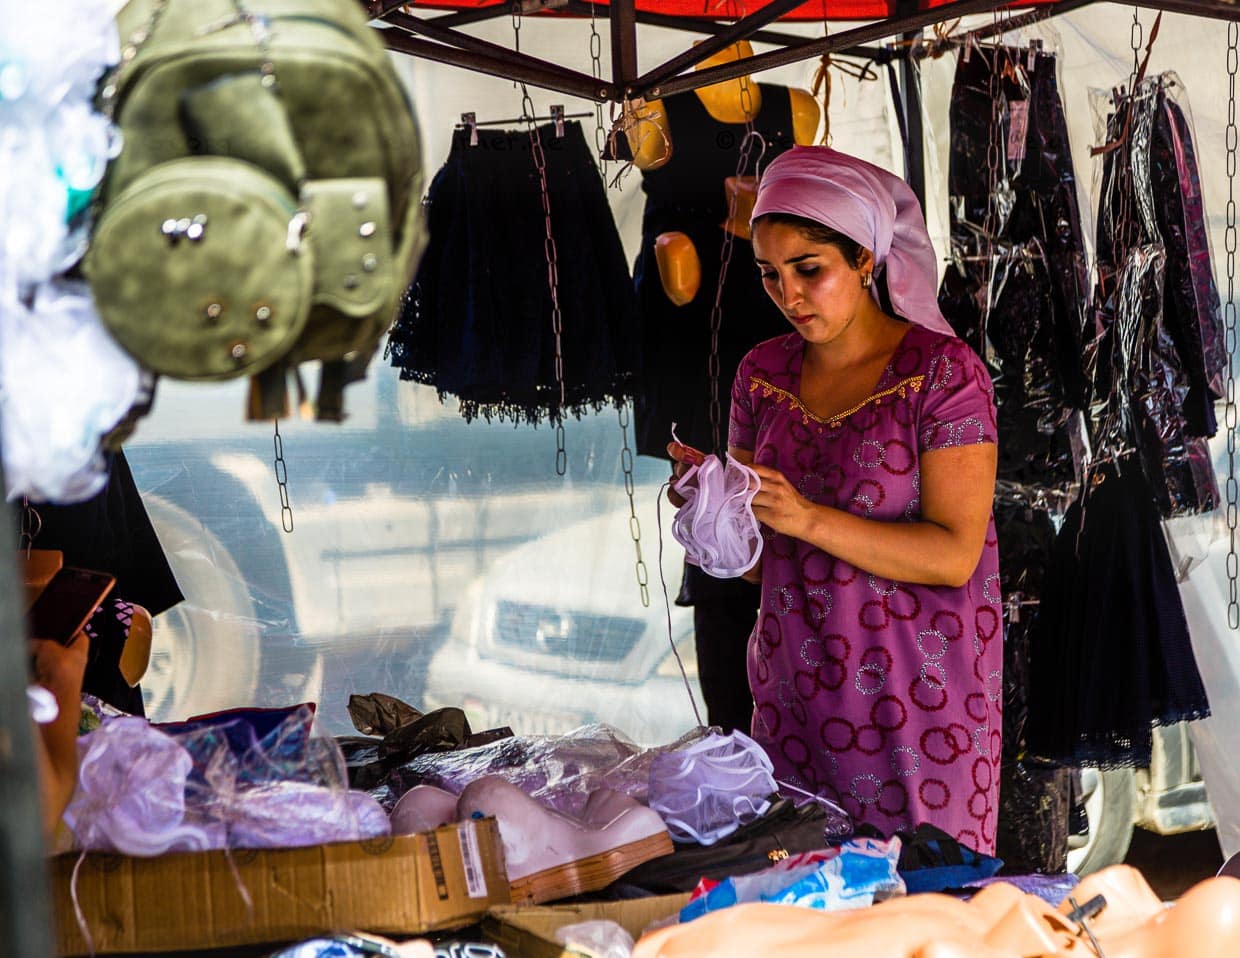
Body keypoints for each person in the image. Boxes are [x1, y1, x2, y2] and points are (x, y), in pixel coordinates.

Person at [668, 147, 1002, 852]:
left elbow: (953, 555)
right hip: (793, 698)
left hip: (920, 705)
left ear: (864, 260)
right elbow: (760, 568)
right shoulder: (761, 375)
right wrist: (712, 511)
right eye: (769, 273)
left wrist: (809, 518)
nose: (788, 294)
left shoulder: (944, 375)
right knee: (805, 891)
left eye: (808, 269)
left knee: (921, 894)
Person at [627, 42, 819, 734]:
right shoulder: (657, 114)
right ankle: (736, 733)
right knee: (720, 522)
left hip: (775, 333)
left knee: (780, 504)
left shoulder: (796, 109)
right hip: (699, 353)